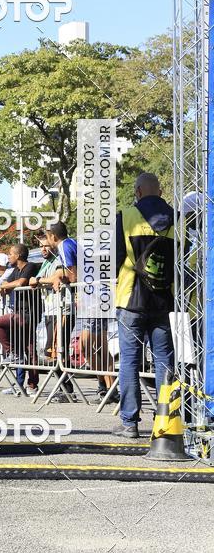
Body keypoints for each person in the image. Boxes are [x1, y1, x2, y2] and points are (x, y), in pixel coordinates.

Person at [114, 172, 175, 438]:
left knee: (129, 360)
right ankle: (166, 419)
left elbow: (115, 257)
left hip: (130, 299)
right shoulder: (176, 218)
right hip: (163, 299)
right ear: (160, 193)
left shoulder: (125, 217)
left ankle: (130, 422)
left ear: (138, 192)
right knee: (164, 359)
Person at [45, 221, 114, 402]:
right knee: (95, 347)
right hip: (95, 299)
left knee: (89, 346)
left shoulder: (65, 246)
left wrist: (60, 278)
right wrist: (58, 277)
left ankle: (110, 388)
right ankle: (107, 387)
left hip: (93, 300)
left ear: (52, 236)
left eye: (46, 236)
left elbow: (73, 276)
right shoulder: (72, 244)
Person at [29, 233, 76, 402]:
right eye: (40, 246)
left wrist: (39, 280)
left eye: (45, 245)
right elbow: (36, 281)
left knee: (58, 351)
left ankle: (68, 390)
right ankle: (66, 389)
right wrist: (39, 280)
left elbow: (58, 276)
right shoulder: (45, 263)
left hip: (62, 309)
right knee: (53, 352)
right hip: (50, 310)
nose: (43, 249)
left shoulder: (58, 258)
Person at [0, 244, 38, 393]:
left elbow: (21, 283)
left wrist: (5, 287)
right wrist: (4, 287)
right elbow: (6, 283)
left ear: (19, 255)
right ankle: (25, 383)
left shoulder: (30, 266)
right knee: (29, 348)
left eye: (10, 254)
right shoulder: (15, 270)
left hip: (27, 314)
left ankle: (14, 353)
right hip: (18, 312)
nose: (9, 257)